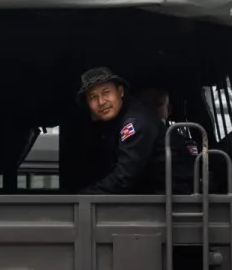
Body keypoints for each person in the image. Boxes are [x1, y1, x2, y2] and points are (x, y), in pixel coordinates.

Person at [77, 67, 195, 195]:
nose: (101, 102)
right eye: (93, 97)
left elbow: (124, 177)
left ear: (120, 92)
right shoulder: (114, 122)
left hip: (174, 199)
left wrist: (85, 196)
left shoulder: (135, 122)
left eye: (106, 93)